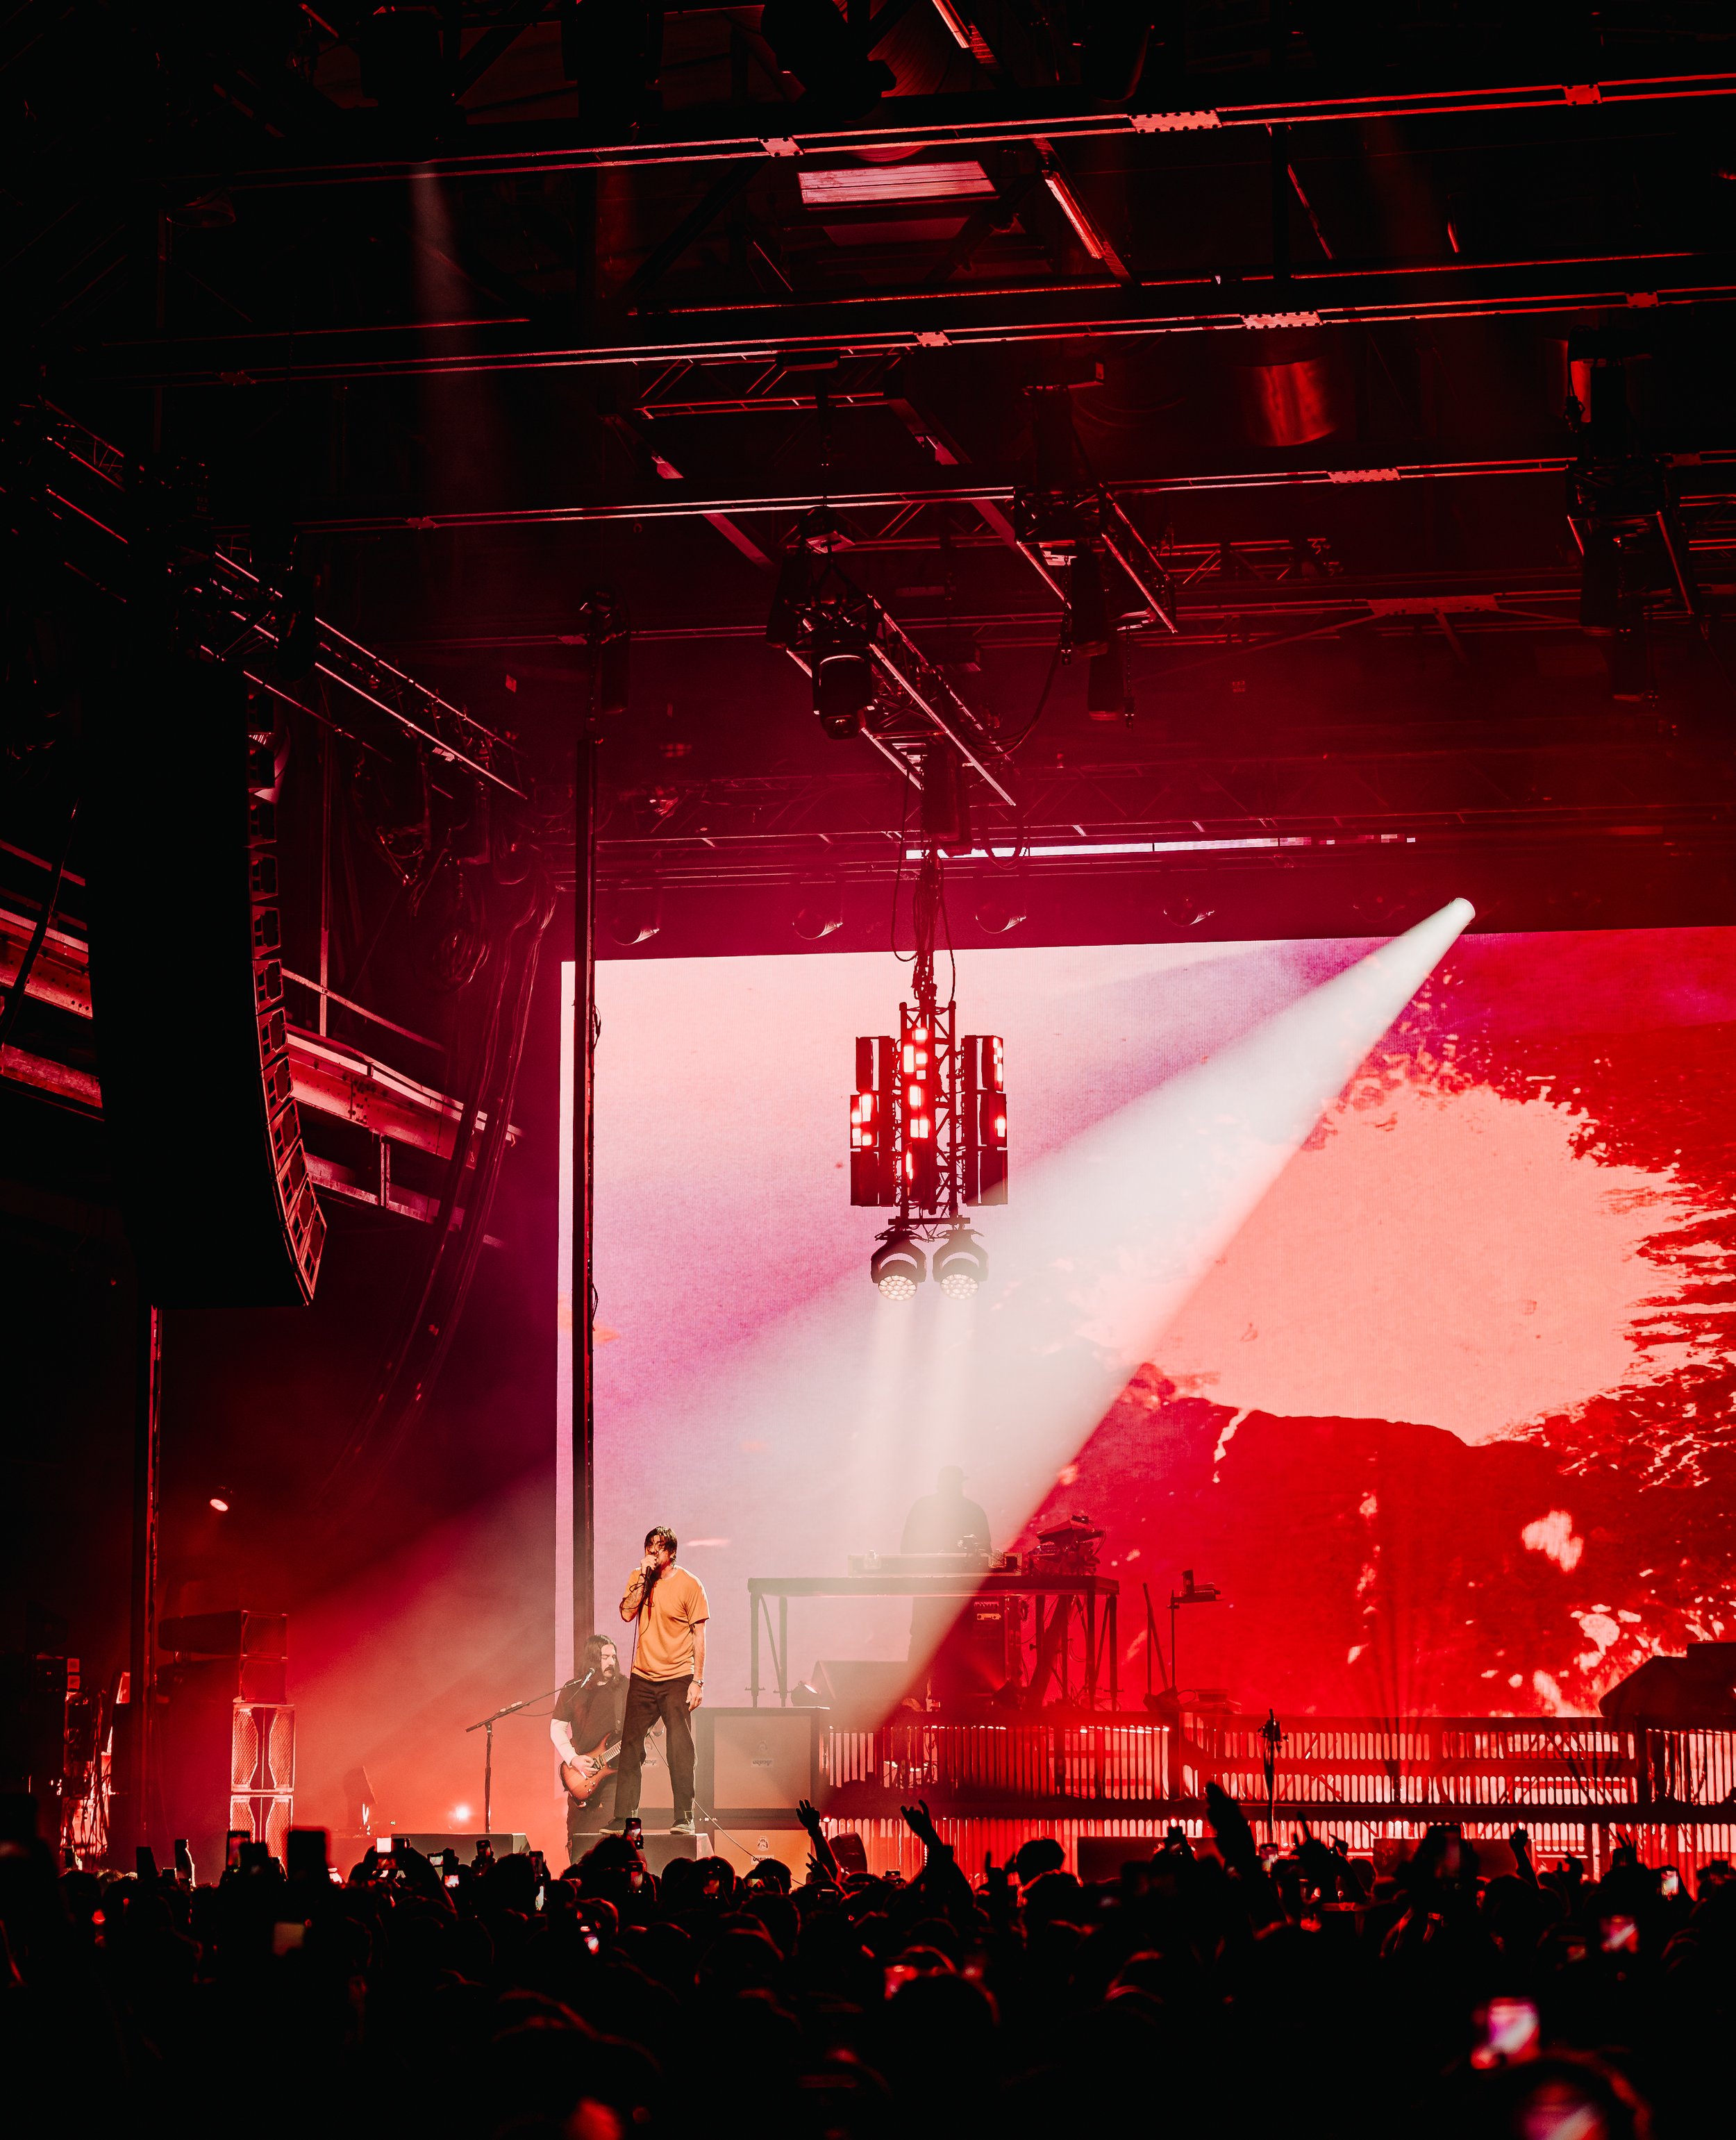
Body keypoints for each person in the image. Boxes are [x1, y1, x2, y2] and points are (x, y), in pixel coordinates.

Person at [612, 1524, 708, 1836]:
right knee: (630, 1746)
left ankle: (684, 1817)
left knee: (679, 1747)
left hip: (677, 1677)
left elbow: (699, 1635)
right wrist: (642, 1576)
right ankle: (624, 1818)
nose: (653, 1552)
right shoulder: (639, 1578)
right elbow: (627, 1614)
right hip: (643, 1676)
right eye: (649, 1547)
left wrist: (698, 1681)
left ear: (672, 1552)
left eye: (659, 1547)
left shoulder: (690, 1584)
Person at [550, 1632, 628, 1862]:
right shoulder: (573, 1688)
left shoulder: (625, 1687)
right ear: (592, 1658)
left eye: (614, 1657)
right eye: (605, 1657)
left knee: (615, 1851)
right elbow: (557, 1728)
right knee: (579, 1850)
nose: (611, 1662)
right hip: (580, 1778)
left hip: (614, 1779)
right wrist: (573, 1759)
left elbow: (643, 1721)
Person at [901, 1465, 991, 1556]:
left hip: (932, 1564)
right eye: (951, 1484)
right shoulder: (974, 1510)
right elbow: (908, 1545)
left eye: (955, 1484)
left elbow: (985, 1547)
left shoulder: (922, 1505)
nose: (953, 1488)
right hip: (959, 1564)